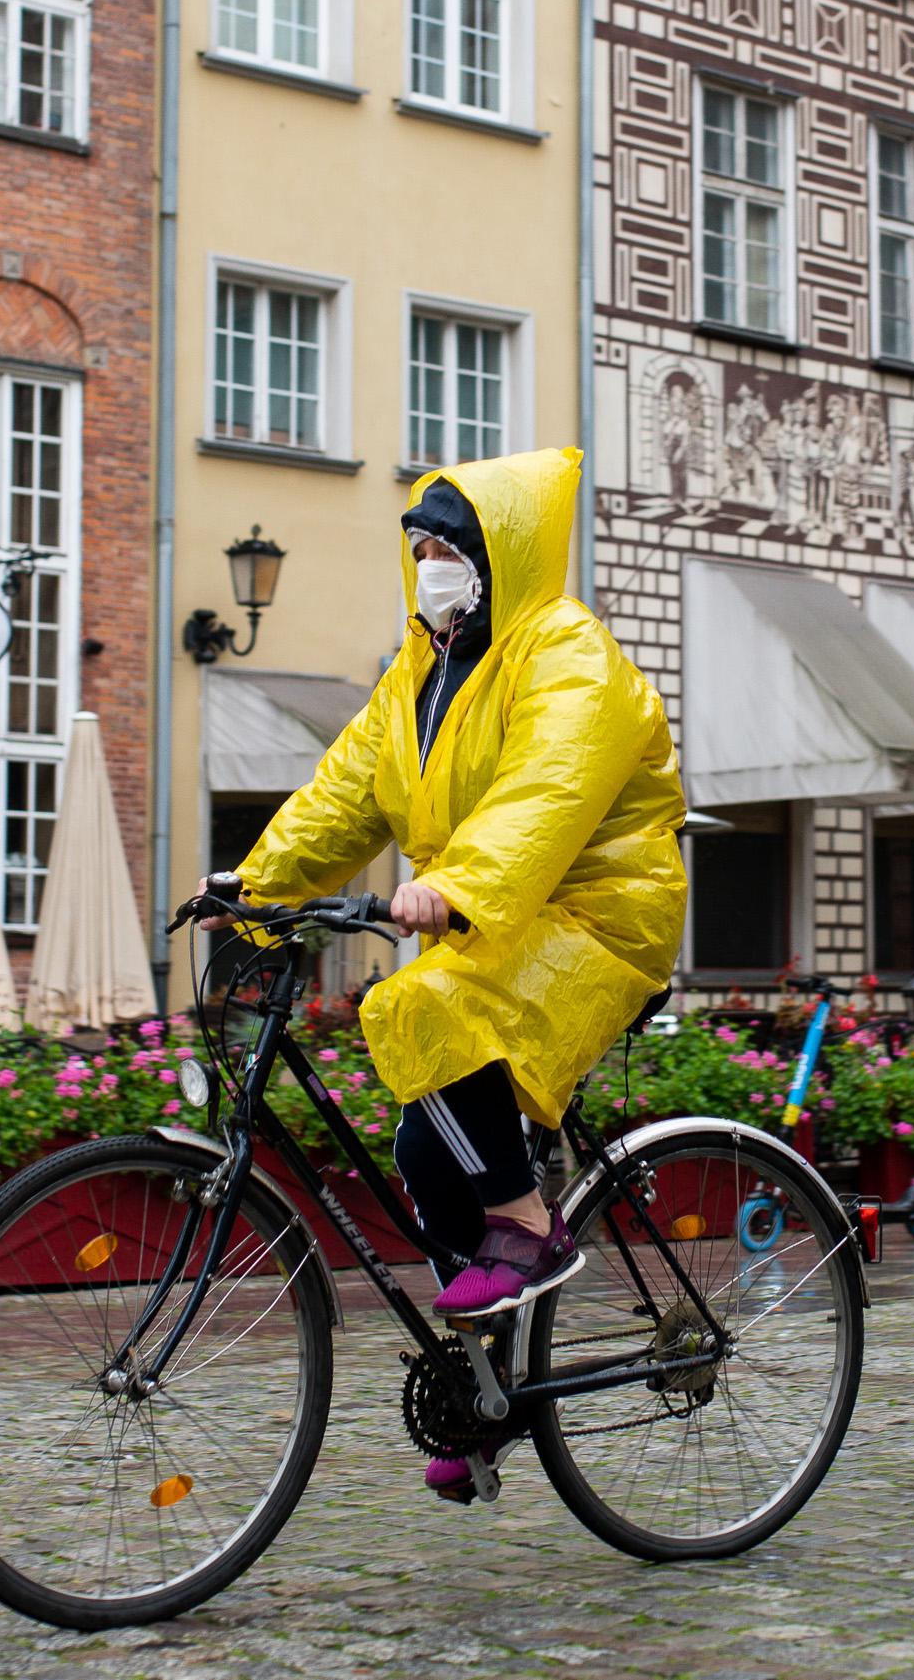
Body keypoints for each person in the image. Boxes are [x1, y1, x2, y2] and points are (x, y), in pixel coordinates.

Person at [205, 447, 687, 1502]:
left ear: (490, 554)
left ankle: (526, 1223)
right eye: (416, 548)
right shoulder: (418, 672)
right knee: (424, 1146)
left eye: (442, 548)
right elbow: (345, 790)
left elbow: (547, 788)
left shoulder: (566, 651)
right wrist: (251, 881)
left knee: (416, 1000)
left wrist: (455, 882)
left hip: (598, 917)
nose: (426, 565)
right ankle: (485, 1389)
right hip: (499, 921)